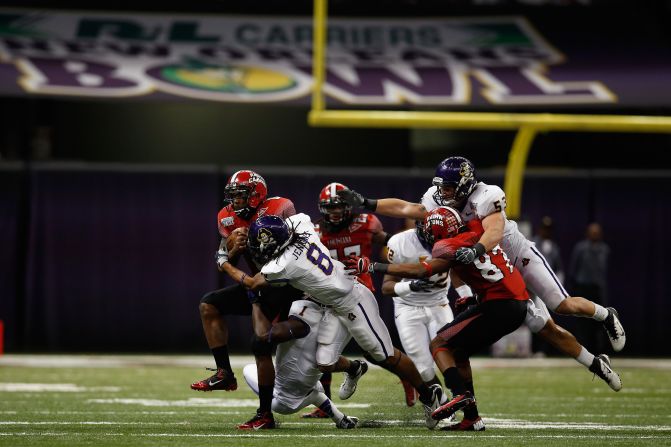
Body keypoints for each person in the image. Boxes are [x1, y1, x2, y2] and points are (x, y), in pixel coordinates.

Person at [335, 157, 623, 392]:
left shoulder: (487, 195)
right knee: (544, 329)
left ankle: (604, 315)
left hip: (511, 252)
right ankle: (595, 364)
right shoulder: (437, 203)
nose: (443, 193)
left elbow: (495, 231)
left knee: (563, 304)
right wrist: (366, 201)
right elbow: (408, 208)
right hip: (488, 268)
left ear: (465, 183)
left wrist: (475, 250)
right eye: (442, 187)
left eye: (449, 187)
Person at [232, 212, 447, 429]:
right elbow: (295, 217)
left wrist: (223, 261)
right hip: (332, 304)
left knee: (385, 355)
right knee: (324, 363)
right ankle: (355, 369)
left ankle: (429, 396)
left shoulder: (283, 264)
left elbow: (252, 283)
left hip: (353, 301)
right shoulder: (301, 225)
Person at [346, 207, 528, 431]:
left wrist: (374, 266)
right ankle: (472, 418)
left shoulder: (446, 246)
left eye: (432, 233)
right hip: (517, 300)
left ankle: (460, 395)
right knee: (459, 352)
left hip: (498, 304)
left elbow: (421, 271)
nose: (428, 237)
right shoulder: (476, 228)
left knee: (439, 344)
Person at [190, 170, 307, 430]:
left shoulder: (281, 207)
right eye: (232, 196)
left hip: (290, 286)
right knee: (209, 304)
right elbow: (225, 259)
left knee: (286, 349)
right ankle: (224, 374)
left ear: (256, 195)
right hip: (260, 285)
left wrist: (257, 238)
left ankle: (266, 413)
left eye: (240, 196)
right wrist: (234, 248)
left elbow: (300, 247)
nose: (235, 202)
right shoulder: (226, 217)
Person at [306, 182, 416, 417]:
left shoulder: (365, 224)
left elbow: (391, 245)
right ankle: (326, 401)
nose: (334, 212)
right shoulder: (315, 232)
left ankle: (410, 380)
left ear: (349, 207)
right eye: (329, 207)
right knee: (319, 345)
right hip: (329, 294)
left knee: (377, 351)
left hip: (359, 293)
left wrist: (400, 256)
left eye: (339, 207)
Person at [242, 299, 360, 429]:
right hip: (308, 384)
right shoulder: (326, 322)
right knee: (319, 368)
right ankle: (341, 416)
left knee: (249, 368)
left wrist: (256, 304)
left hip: (283, 403)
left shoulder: (298, 319)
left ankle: (354, 369)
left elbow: (264, 336)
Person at [382, 218, 461, 399]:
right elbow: (386, 287)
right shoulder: (400, 242)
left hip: (439, 304)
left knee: (452, 355)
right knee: (423, 367)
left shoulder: (453, 240)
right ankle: (442, 403)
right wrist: (410, 286)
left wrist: (465, 294)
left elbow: (457, 269)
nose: (437, 238)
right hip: (408, 306)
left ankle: (463, 399)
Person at [569, 222, 611, 352]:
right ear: (587, 233)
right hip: (583, 289)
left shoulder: (604, 249)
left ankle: (598, 351)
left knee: (599, 322)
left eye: (597, 232)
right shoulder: (580, 248)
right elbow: (573, 269)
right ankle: (582, 350)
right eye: (592, 232)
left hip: (597, 289)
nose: (595, 234)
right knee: (582, 322)